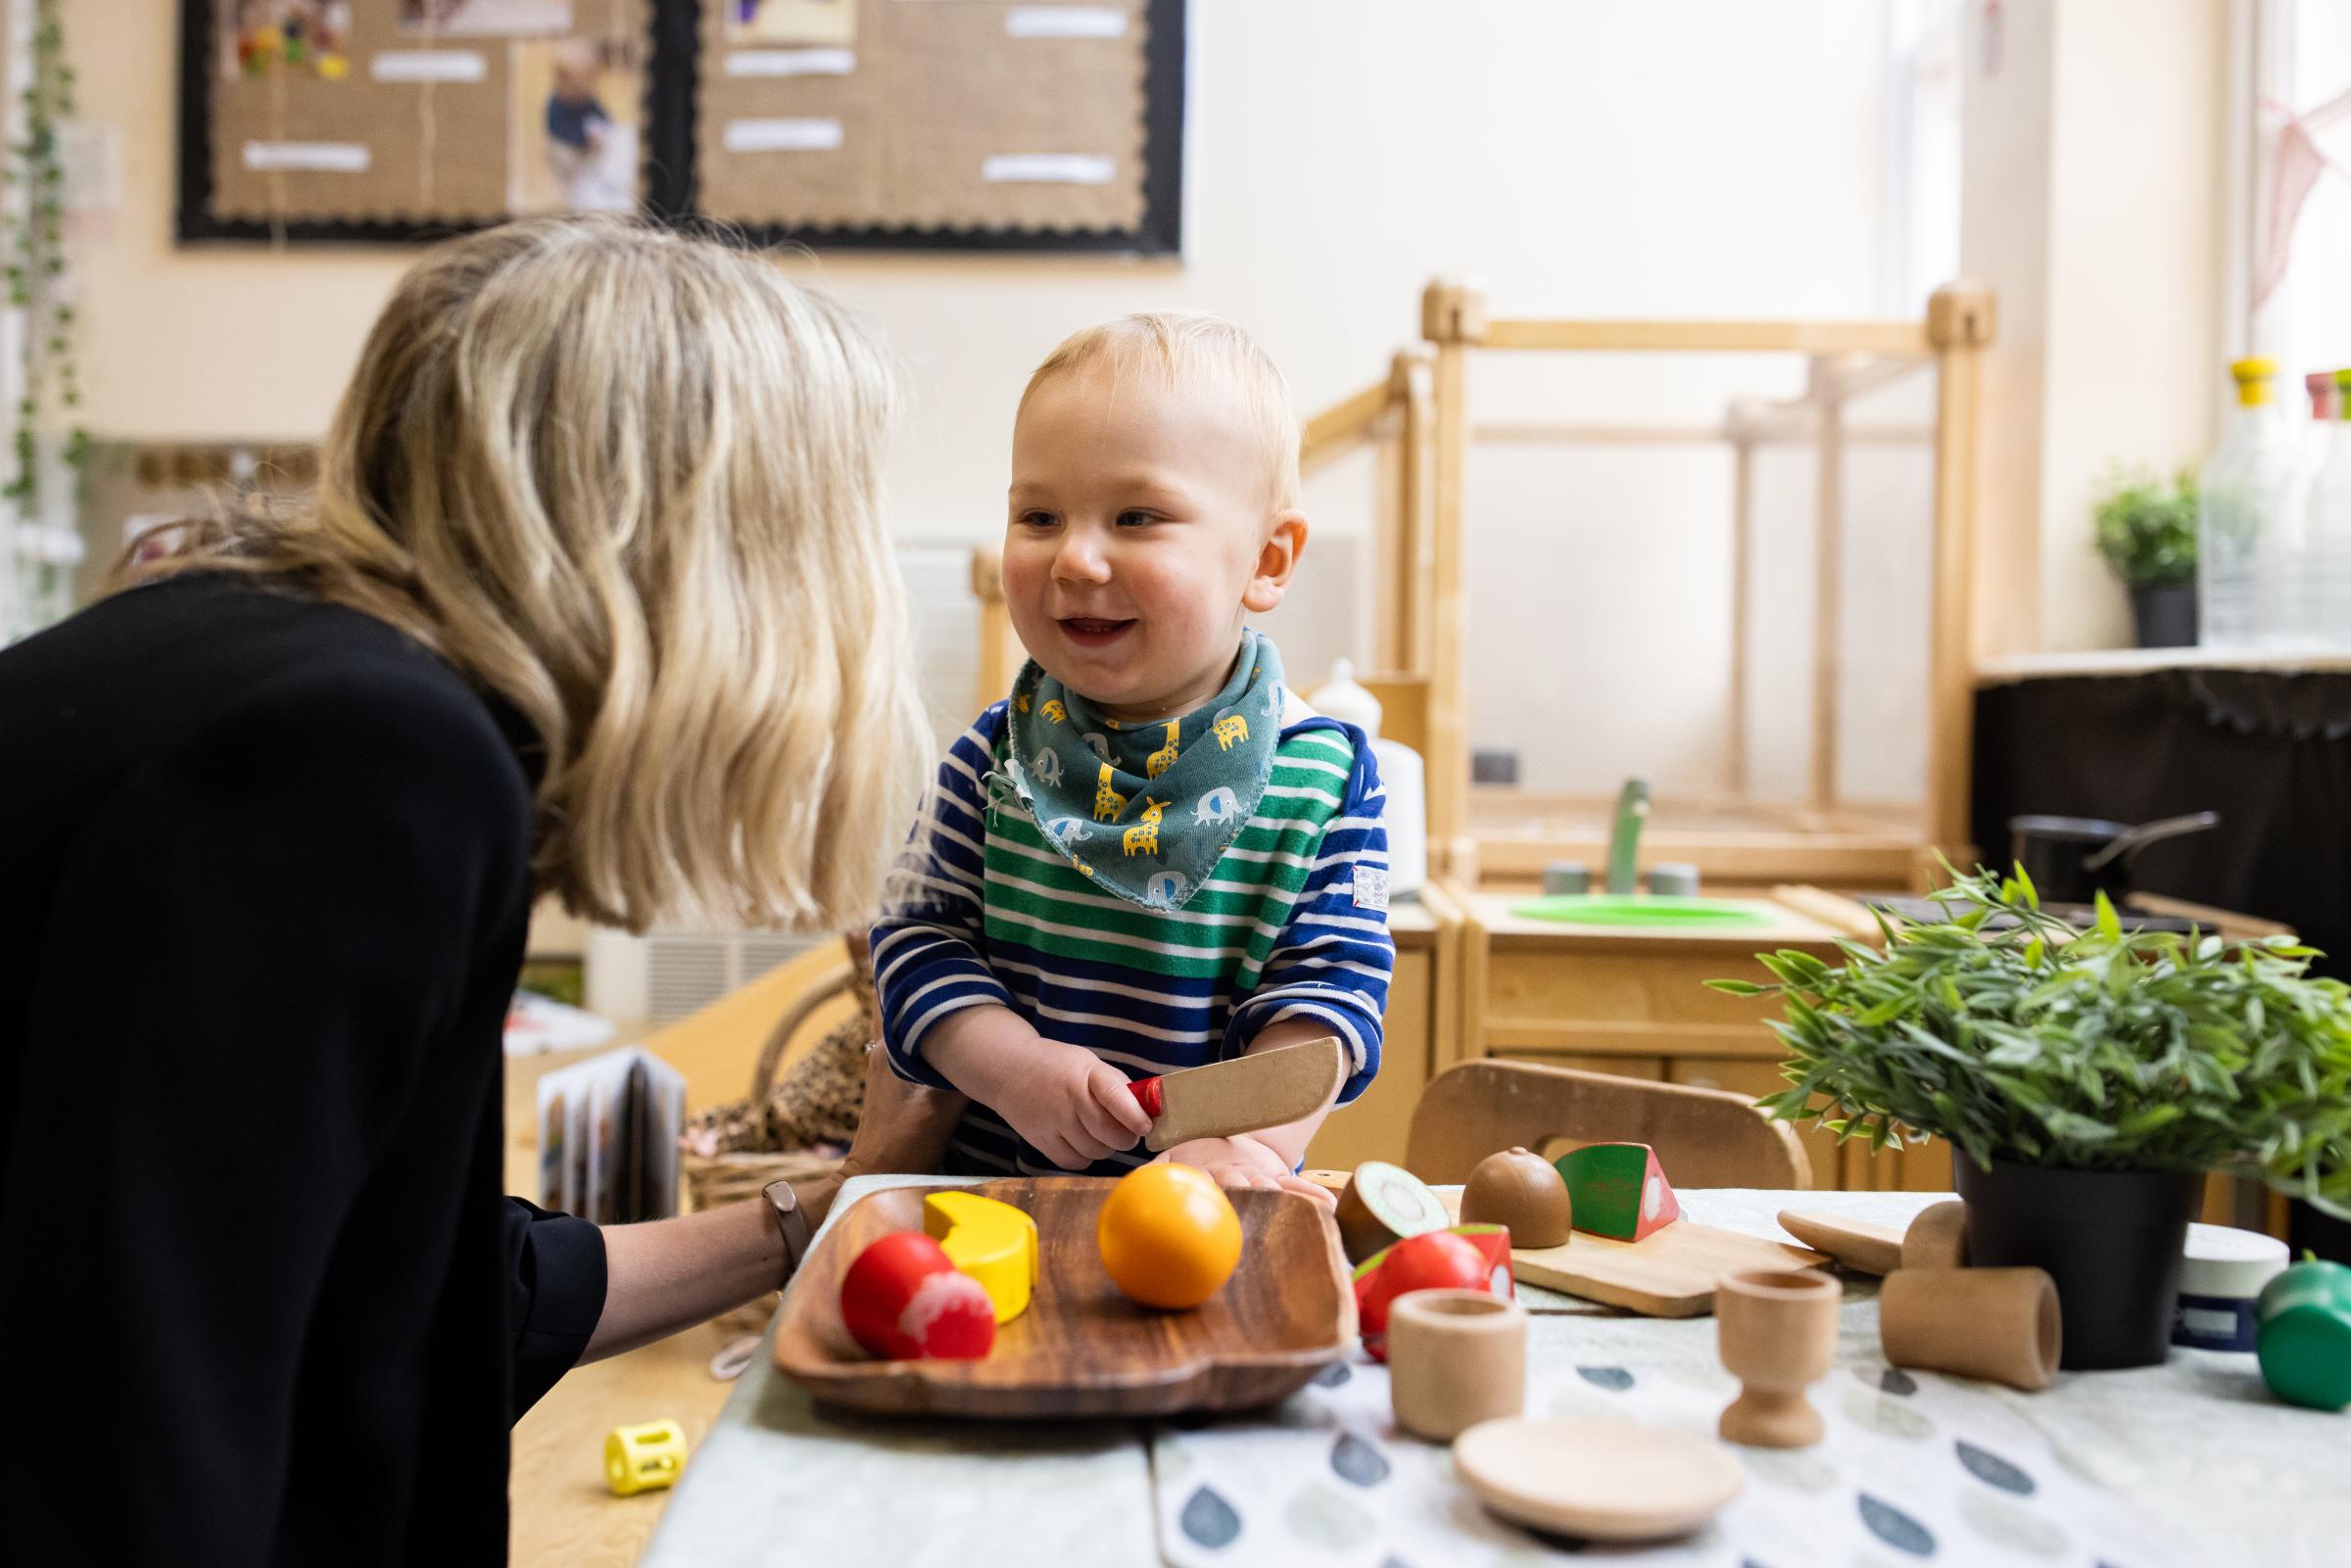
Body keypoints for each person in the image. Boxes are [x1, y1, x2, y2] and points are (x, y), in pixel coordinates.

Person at [0, 216, 955, 1564]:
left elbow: (420, 1294)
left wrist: (821, 1206)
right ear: (701, 535)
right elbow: (140, 1453)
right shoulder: (361, 759)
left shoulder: (270, 662)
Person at [870, 313, 1394, 1198]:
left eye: (1137, 516)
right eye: (1038, 515)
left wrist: (1251, 1146)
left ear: (1266, 560)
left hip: (1216, 1217)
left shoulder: (1326, 779)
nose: (1074, 555)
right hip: (1001, 1213)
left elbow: (1331, 998)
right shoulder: (989, 755)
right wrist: (1012, 1067)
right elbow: (915, 942)